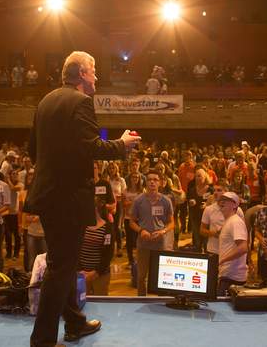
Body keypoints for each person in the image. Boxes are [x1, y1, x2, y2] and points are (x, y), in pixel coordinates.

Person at [24, 51, 140, 347]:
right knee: (61, 266)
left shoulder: (45, 101)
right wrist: (122, 144)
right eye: (94, 70)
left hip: (48, 196)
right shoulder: (81, 102)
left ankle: (74, 321)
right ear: (81, 74)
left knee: (61, 262)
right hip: (67, 198)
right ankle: (42, 340)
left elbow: (33, 150)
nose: (97, 76)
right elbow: (92, 147)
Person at [129, 170, 174, 296]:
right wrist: (141, 230)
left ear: (160, 183)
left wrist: (163, 231)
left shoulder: (166, 201)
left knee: (161, 276)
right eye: (149, 179)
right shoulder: (138, 200)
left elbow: (172, 223)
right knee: (141, 276)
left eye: (155, 179)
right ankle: (141, 300)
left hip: (160, 244)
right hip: (143, 244)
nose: (152, 182)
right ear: (145, 182)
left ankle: (160, 302)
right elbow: (131, 222)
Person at [78, 196, 113, 295]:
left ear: (96, 209)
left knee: (100, 304)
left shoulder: (107, 228)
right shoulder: (81, 225)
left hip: (101, 274)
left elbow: (108, 254)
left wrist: (96, 272)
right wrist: (81, 270)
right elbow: (75, 249)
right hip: (82, 274)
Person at [216, 191, 248, 296]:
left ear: (234, 205)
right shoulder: (229, 221)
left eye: (226, 200)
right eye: (221, 200)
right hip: (228, 274)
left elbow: (243, 247)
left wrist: (222, 260)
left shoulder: (235, 222)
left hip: (232, 277)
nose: (222, 202)